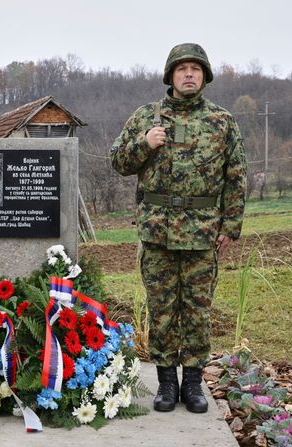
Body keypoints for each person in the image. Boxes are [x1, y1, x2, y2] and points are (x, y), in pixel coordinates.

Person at [110, 43, 247, 413]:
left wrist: (230, 226)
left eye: (196, 69)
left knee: (198, 311)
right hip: (157, 232)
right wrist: (144, 143)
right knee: (163, 310)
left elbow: (236, 177)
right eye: (182, 68)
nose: (189, 74)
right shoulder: (146, 117)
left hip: (203, 233)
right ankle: (167, 384)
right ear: (170, 75)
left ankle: (193, 383)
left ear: (204, 76)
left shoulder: (222, 121)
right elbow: (118, 162)